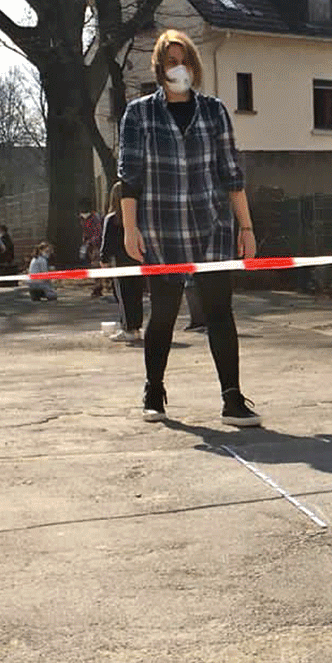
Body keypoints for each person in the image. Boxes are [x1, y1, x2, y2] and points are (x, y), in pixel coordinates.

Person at [118, 28, 261, 426]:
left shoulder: (214, 111)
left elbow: (232, 174)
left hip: (211, 226)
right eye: (170, 62)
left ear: (193, 66)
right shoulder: (139, 114)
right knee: (163, 314)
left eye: (183, 61)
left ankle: (232, 399)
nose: (177, 68)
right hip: (162, 230)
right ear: (160, 68)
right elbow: (129, 177)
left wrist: (245, 228)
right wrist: (130, 230)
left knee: (219, 312)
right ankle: (154, 390)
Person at [99, 181, 144, 342]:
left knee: (123, 297)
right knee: (136, 296)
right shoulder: (136, 217)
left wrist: (103, 261)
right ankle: (136, 327)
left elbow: (106, 243)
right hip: (137, 261)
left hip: (120, 263)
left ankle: (128, 328)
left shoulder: (111, 219)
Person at [79, 199, 106, 297]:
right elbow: (85, 231)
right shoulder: (83, 218)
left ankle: (98, 287)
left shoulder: (95, 218)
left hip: (97, 245)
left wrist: (90, 242)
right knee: (93, 266)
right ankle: (97, 285)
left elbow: (98, 233)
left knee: (96, 265)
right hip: (90, 245)